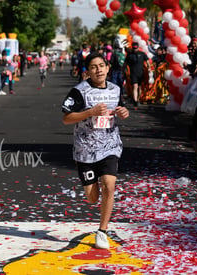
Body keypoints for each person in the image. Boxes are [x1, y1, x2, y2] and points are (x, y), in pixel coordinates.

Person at [61, 52, 129, 249]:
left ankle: (102, 231)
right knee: (92, 198)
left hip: (110, 145)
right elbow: (66, 118)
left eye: (101, 65)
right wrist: (90, 112)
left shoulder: (116, 89)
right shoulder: (80, 91)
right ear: (88, 71)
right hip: (85, 149)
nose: (98, 69)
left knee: (110, 185)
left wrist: (124, 112)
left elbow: (121, 109)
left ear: (108, 68)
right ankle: (92, 196)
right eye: (93, 67)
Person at [123, 42, 151, 107]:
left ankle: (138, 99)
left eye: (136, 48)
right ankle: (135, 101)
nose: (135, 49)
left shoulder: (142, 54)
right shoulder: (129, 55)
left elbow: (147, 61)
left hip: (141, 73)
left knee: (139, 87)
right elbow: (125, 63)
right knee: (135, 86)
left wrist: (149, 68)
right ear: (132, 48)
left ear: (138, 47)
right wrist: (123, 70)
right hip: (133, 73)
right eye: (134, 48)